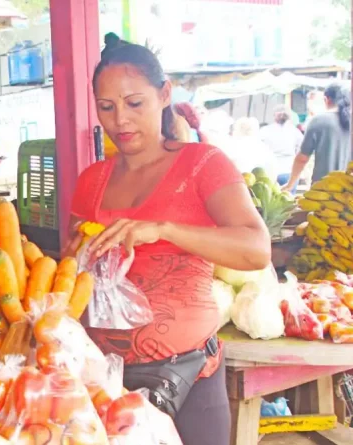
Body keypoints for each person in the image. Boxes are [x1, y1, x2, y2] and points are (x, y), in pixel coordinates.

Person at [64, 36, 270, 445]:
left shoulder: (202, 164)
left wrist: (164, 229)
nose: (120, 119)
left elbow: (256, 249)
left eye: (134, 103)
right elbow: (70, 269)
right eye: (107, 107)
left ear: (164, 95)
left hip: (189, 379)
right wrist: (72, 259)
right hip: (105, 385)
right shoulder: (91, 181)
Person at [282, 84, 352, 191]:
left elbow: (302, 158)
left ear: (326, 99)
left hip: (322, 192)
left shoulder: (319, 120)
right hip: (349, 192)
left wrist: (290, 185)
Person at [258, 106, 304, 188]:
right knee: (289, 199)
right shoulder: (295, 132)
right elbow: (301, 151)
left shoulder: (264, 131)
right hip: (289, 172)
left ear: (274, 116)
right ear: (289, 117)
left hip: (269, 173)